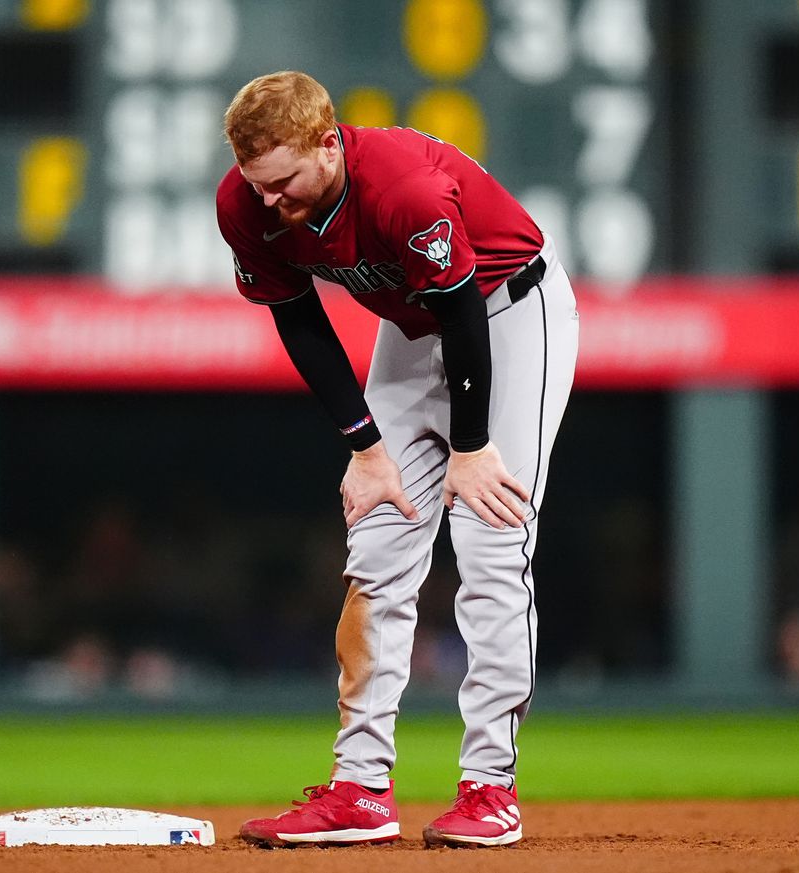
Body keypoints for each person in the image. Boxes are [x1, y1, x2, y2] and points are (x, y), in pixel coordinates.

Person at [216, 71, 579, 848]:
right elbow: (298, 318)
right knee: (376, 548)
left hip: (508, 314)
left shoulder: (402, 191)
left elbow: (463, 309)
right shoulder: (247, 203)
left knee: (490, 543)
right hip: (411, 333)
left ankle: (490, 787)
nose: (269, 201)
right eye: (257, 184)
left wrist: (473, 446)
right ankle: (360, 789)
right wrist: (365, 448)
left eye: (282, 182)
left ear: (328, 142)